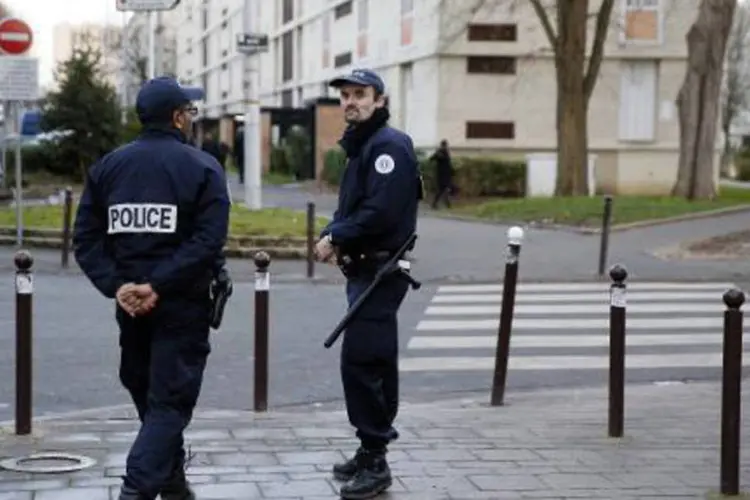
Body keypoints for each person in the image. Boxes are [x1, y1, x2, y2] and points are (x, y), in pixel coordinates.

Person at [72, 76, 231, 500]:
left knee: (148, 393)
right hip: (181, 307)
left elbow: (86, 240)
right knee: (168, 404)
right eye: (190, 114)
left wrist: (119, 286)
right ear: (178, 118)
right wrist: (155, 285)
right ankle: (137, 490)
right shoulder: (202, 167)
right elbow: (207, 241)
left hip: (131, 309)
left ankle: (172, 481)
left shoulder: (109, 167)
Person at [314, 68, 422, 499]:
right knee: (372, 360)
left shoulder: (387, 147)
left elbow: (379, 213)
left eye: (360, 94)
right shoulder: (365, 145)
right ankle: (369, 448)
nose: (350, 102)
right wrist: (332, 230)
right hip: (365, 271)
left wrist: (336, 235)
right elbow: (353, 208)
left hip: (381, 271)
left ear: (380, 99)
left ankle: (376, 460)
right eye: (345, 95)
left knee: (364, 363)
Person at [430, 139, 454, 209]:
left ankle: (446, 204)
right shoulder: (440, 152)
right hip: (442, 174)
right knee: (442, 189)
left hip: (446, 173)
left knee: (445, 189)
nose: (446, 147)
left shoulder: (445, 152)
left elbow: (448, 163)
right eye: (445, 145)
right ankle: (436, 204)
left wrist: (451, 171)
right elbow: (432, 159)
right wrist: (438, 156)